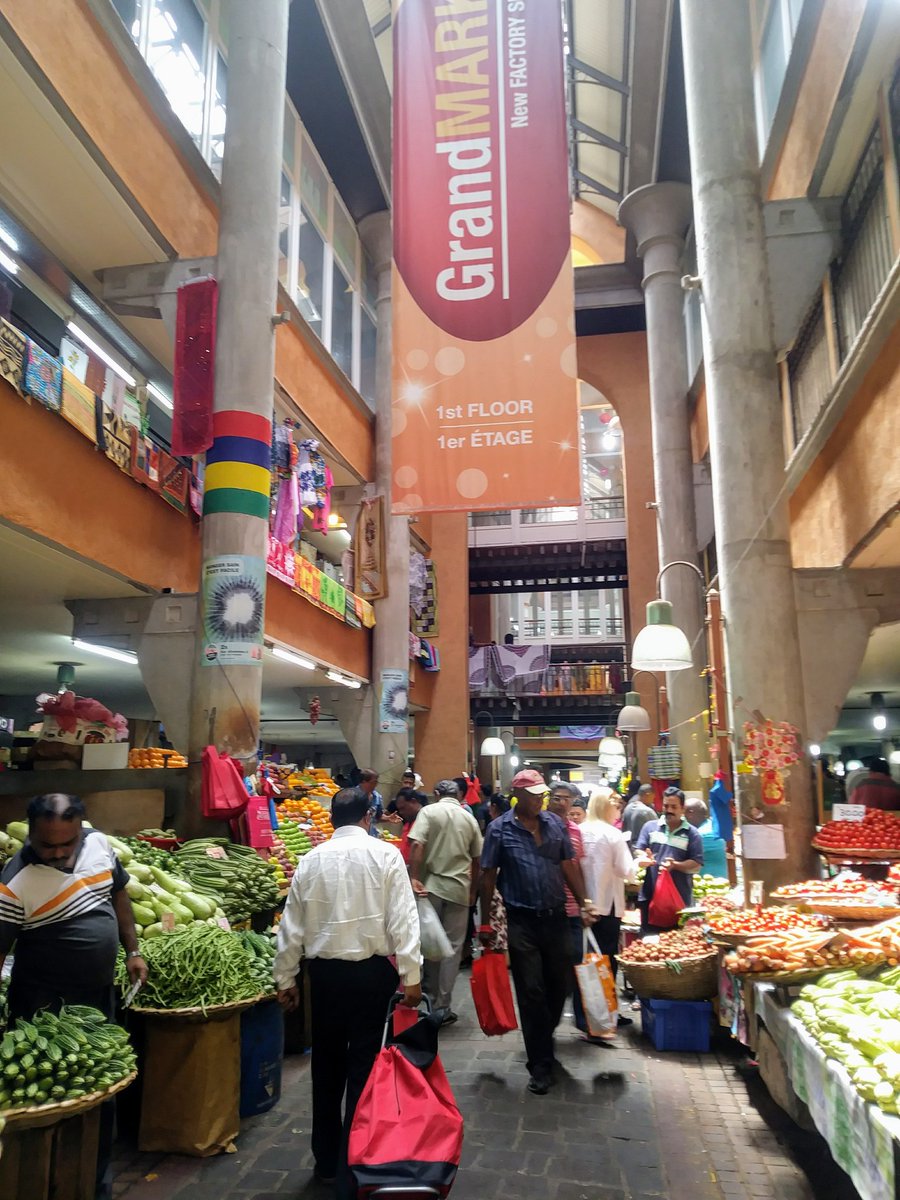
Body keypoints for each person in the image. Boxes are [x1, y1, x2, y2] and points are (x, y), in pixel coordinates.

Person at [0, 793, 148, 1200]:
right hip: (43, 1007)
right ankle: (44, 1181)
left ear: (81, 831)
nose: (60, 853)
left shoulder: (98, 844)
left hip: (99, 996)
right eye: (48, 845)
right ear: (30, 835)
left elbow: (118, 893)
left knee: (100, 1090)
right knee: (51, 1097)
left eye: (68, 843)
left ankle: (94, 1181)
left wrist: (132, 950)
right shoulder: (14, 882)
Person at [274, 788, 421, 1193]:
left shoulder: (309, 860)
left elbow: (291, 927)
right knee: (363, 1066)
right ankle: (352, 1163)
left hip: (324, 977)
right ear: (368, 816)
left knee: (327, 1065)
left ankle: (325, 1159)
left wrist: (285, 979)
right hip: (372, 976)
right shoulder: (386, 855)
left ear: (334, 818)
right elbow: (404, 919)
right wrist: (412, 974)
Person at [479, 769, 595, 1095]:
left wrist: (585, 902)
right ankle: (540, 1064)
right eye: (536, 795)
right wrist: (486, 922)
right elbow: (487, 876)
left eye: (543, 794)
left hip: (556, 918)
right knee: (531, 991)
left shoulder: (555, 825)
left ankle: (545, 1034)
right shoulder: (499, 830)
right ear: (519, 796)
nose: (541, 799)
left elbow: (568, 863)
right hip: (522, 922)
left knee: (560, 986)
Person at [409, 779, 483, 1023]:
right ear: (458, 794)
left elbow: (417, 844)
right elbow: (477, 859)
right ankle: (443, 1006)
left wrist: (414, 877)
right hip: (459, 890)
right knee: (452, 949)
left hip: (431, 889)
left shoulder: (428, 812)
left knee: (430, 944)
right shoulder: (468, 818)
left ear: (437, 793)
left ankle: (428, 998)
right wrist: (473, 891)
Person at [580, 805, 638, 1036]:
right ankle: (607, 1013)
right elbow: (626, 870)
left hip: (585, 903)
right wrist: (639, 864)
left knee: (587, 960)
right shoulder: (612, 833)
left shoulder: (580, 830)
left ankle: (588, 1012)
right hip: (608, 905)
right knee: (607, 961)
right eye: (615, 806)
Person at [546, 782, 589, 1036]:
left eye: (567, 799)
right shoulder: (537, 827)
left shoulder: (575, 831)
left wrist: (586, 902)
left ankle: (578, 1017)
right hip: (547, 908)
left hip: (572, 910)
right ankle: (549, 1019)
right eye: (557, 797)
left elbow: (577, 868)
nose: (562, 803)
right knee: (551, 968)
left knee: (574, 965)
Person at [635, 787, 704, 932]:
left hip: (679, 900)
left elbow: (696, 864)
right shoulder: (650, 827)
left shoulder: (692, 834)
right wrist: (643, 857)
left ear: (682, 809)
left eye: (674, 807)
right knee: (650, 943)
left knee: (678, 944)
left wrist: (676, 865)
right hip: (650, 896)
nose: (669, 810)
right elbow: (638, 850)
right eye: (666, 806)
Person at [684, 797, 729, 881]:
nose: (682, 818)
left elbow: (681, 855)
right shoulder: (711, 826)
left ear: (690, 814)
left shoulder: (703, 835)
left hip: (710, 886)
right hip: (714, 882)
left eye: (683, 813)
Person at [393, 787, 426, 864]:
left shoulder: (425, 822)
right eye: (399, 810)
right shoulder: (408, 823)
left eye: (403, 808)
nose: (401, 812)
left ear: (413, 801)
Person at [621, 783, 658, 848]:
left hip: (629, 848)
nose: (653, 800)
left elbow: (624, 828)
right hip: (643, 849)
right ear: (648, 795)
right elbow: (657, 830)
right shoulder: (647, 811)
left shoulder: (627, 808)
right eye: (653, 797)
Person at [358, 768, 383, 836]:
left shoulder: (377, 797)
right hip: (357, 835)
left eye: (376, 782)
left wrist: (388, 818)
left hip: (372, 835)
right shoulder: (352, 796)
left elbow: (378, 817)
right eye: (373, 782)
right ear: (363, 782)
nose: (375, 785)